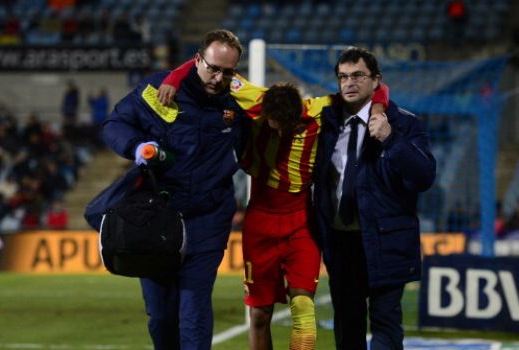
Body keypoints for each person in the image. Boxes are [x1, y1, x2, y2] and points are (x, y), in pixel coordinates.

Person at [158, 59, 389, 349]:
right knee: (259, 314)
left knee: (303, 308)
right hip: (260, 221)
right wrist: (172, 80)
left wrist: (379, 109)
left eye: (285, 128)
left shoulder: (319, 109)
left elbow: (377, 88)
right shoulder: (253, 97)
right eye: (272, 126)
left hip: (302, 220)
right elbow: (201, 62)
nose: (279, 133)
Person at [100, 29, 246, 350]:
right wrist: (135, 146)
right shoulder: (158, 90)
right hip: (155, 221)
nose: (218, 77)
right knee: (162, 317)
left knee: (193, 310)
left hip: (208, 219)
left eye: (228, 71)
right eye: (213, 67)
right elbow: (115, 124)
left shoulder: (239, 101)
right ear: (197, 60)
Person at [313, 47, 436, 350]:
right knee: (347, 326)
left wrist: (391, 138)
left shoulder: (405, 123)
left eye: (357, 75)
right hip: (342, 245)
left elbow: (424, 177)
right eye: (343, 77)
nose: (349, 83)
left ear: (376, 80)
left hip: (386, 241)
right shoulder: (327, 123)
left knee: (385, 324)